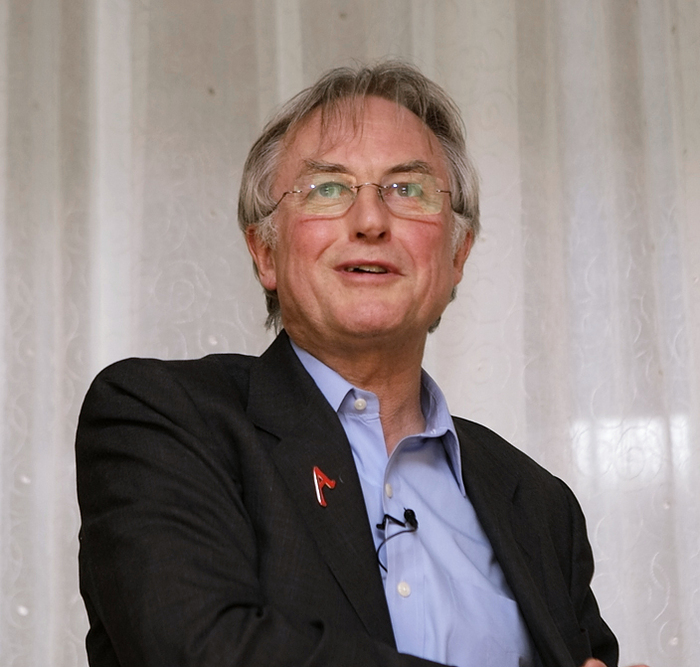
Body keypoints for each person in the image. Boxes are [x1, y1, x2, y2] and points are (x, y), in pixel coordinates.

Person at [76, 61, 648, 667]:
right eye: (328, 188)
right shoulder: (164, 419)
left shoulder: (539, 504)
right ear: (264, 251)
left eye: (409, 189)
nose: (371, 221)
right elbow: (202, 650)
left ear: (458, 254)